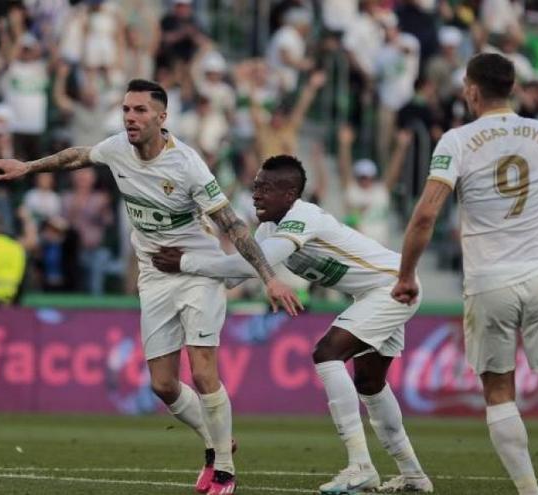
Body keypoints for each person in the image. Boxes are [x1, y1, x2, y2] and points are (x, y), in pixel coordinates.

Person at [0, 78, 302, 495]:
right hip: (154, 275)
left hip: (197, 272)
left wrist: (269, 277)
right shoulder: (118, 147)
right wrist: (28, 167)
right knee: (163, 385)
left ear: (161, 117)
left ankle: (223, 468)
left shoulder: (188, 164)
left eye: (140, 111)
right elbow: (77, 156)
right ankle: (216, 440)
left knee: (204, 371)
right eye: (127, 110)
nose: (130, 118)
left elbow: (232, 224)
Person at [153, 155, 434, 494]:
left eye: (265, 188)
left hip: (392, 285)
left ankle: (360, 465)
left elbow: (252, 265)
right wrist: (192, 286)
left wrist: (185, 262)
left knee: (327, 353)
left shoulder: (304, 216)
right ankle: (414, 475)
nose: (255, 194)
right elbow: (240, 271)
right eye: (255, 186)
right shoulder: (269, 228)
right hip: (373, 293)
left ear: (289, 195)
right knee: (370, 383)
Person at [392, 53, 538, 495]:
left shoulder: (456, 141)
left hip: (489, 281)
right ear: (514, 88)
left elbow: (426, 215)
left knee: (499, 390)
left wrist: (406, 275)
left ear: (472, 91)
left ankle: (529, 491)